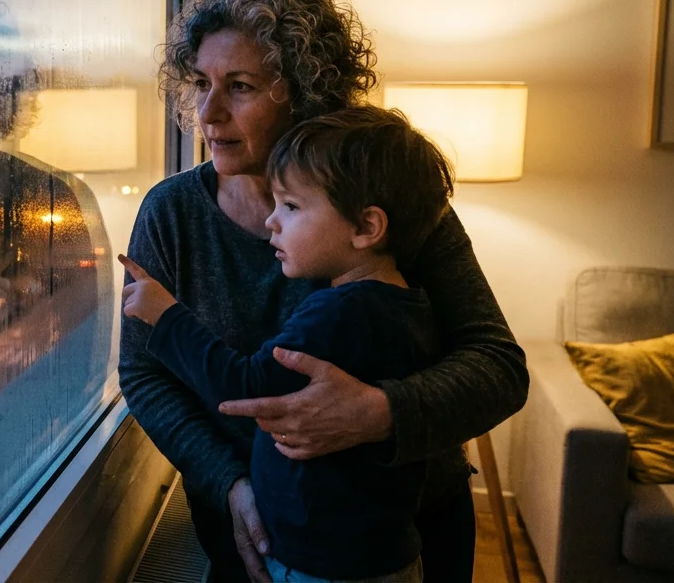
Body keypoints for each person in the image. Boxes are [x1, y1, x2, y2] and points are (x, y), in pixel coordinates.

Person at [118, 0, 528, 583]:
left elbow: (498, 366)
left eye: (241, 87)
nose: (208, 114)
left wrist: (380, 412)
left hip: (405, 539)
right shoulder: (171, 212)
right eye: (201, 84)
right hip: (252, 535)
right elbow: (146, 373)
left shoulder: (384, 202)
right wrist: (231, 485)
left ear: (307, 95)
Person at [121, 105, 455, 582]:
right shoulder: (408, 304)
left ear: (366, 228)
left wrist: (166, 317)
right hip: (382, 550)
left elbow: (248, 386)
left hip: (328, 566)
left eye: (292, 207)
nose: (273, 222)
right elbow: (144, 376)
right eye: (200, 83)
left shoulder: (337, 311)